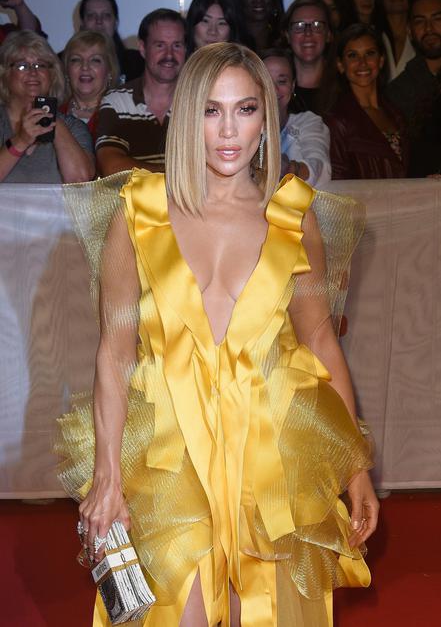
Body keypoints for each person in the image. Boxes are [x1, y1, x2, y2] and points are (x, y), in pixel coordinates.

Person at [57, 41, 378, 626]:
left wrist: (353, 465)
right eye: (211, 110)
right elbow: (115, 354)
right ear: (185, 117)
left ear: (266, 117)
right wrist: (107, 475)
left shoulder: (293, 215)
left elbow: (319, 343)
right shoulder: (139, 212)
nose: (229, 130)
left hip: (271, 454)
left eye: (245, 109)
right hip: (171, 455)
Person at [95, 8, 185, 176]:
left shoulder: (199, 101)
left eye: (177, 45)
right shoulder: (117, 101)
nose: (169, 55)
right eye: (160, 45)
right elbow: (111, 166)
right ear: (142, 48)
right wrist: (175, 175)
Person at [0, 30, 94, 183]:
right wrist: (21, 141)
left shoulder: (73, 127)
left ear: (53, 75)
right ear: (5, 74)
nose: (33, 72)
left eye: (41, 65)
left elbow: (80, 180)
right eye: (22, 66)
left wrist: (51, 118)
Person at [325, 23, 408, 178]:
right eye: (352, 55)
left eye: (370, 53)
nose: (362, 63)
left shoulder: (396, 113)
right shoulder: (337, 121)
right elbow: (336, 180)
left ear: (381, 60)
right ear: (340, 65)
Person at [386, 0, 441, 176]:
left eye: (437, 19)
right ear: (409, 31)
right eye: (420, 21)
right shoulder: (397, 93)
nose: (429, 28)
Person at [262, 47, 331, 186]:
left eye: (282, 81)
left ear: (292, 86)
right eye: (266, 82)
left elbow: (319, 166)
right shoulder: (240, 126)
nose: (274, 89)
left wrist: (290, 168)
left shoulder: (308, 122)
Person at [60, 31, 119, 142]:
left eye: (95, 60)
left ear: (110, 70)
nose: (85, 67)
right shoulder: (53, 115)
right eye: (76, 60)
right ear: (67, 71)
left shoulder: (121, 116)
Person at [282, 0, 334, 113]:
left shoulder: (344, 87)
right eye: (299, 26)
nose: (308, 33)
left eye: (317, 25)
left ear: (329, 34)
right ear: (287, 35)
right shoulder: (275, 88)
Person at [78, 0, 144, 83]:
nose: (99, 21)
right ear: (82, 23)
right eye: (91, 16)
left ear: (116, 22)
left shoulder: (137, 62)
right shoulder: (65, 61)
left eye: (106, 15)